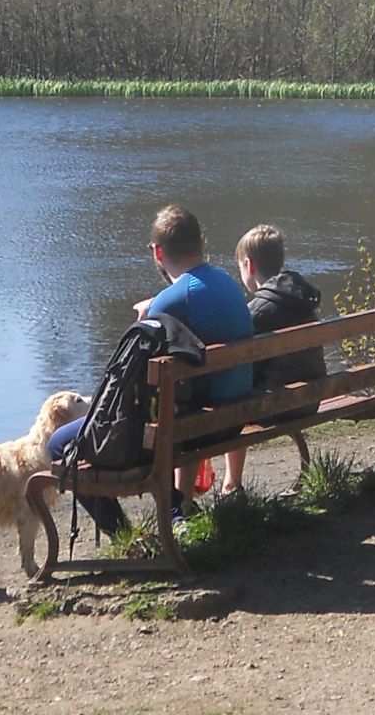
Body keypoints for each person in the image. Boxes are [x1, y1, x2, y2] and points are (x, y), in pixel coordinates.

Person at [47, 204, 254, 523]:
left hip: (194, 430)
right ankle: (177, 506)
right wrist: (159, 305)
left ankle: (123, 534)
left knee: (60, 444)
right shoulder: (226, 282)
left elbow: (129, 383)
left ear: (158, 252)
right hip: (232, 417)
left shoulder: (172, 301)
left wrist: (150, 315)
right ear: (201, 243)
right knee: (178, 405)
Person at [218, 223, 324, 496]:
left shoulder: (257, 311)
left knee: (229, 393)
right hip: (311, 397)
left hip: (277, 405)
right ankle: (231, 484)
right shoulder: (302, 299)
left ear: (249, 265)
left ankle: (231, 484)